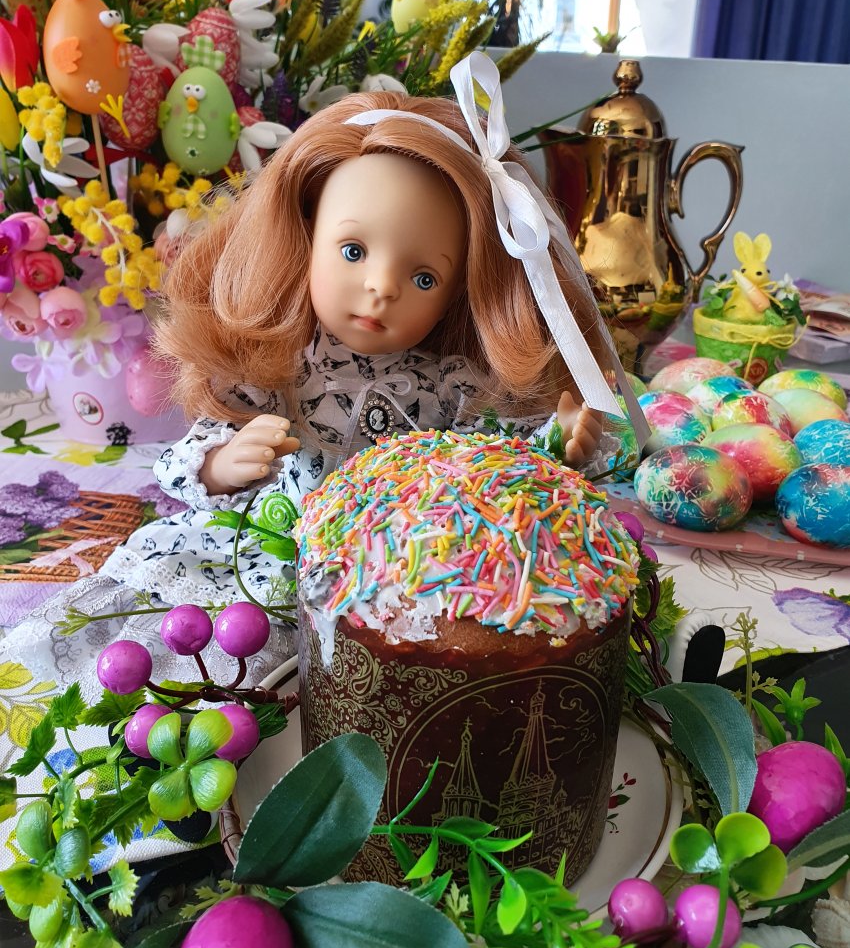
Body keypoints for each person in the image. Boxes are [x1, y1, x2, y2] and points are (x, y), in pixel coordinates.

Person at [0, 52, 645, 697]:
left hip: (396, 573)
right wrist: (223, 463)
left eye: (424, 277)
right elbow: (188, 458)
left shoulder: (450, 384)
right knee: (184, 641)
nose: (381, 287)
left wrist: (558, 442)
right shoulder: (281, 364)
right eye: (353, 250)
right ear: (303, 236)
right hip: (265, 555)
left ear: (460, 293)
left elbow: (496, 470)